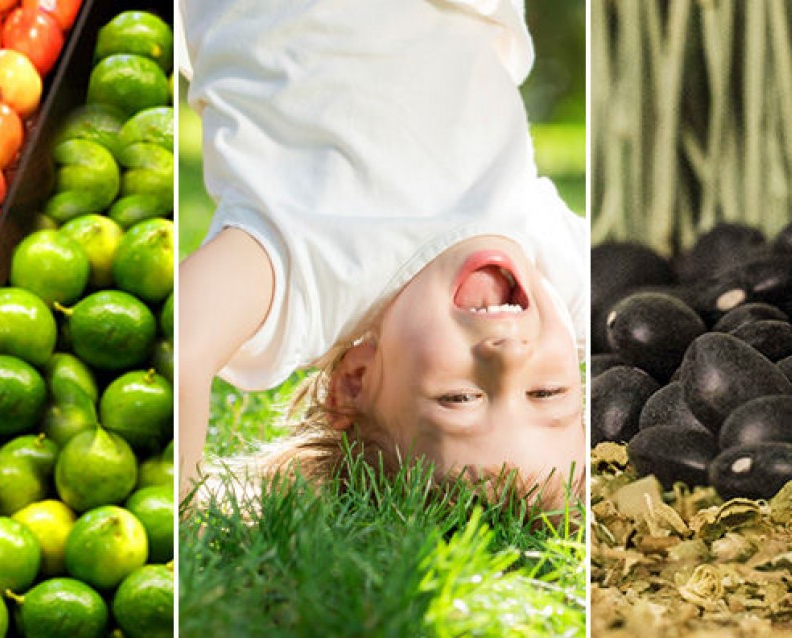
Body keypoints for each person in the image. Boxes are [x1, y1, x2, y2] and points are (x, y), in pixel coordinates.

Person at [178, 0, 587, 509]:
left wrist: (183, 517)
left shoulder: (313, 276)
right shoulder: (554, 262)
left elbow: (183, 342)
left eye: (460, 398)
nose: (509, 354)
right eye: (547, 392)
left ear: (356, 381)